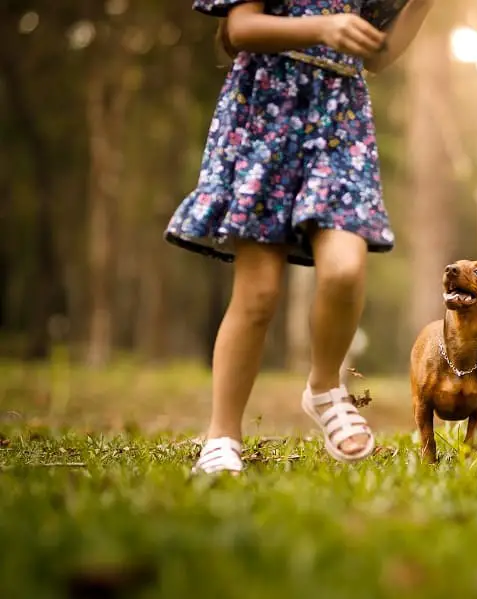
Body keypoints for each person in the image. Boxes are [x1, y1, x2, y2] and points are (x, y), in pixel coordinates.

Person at [165, 0, 433, 474]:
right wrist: (324, 26)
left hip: (340, 120)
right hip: (266, 111)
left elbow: (377, 55)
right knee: (259, 292)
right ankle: (223, 434)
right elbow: (240, 28)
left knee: (346, 269)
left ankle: (325, 389)